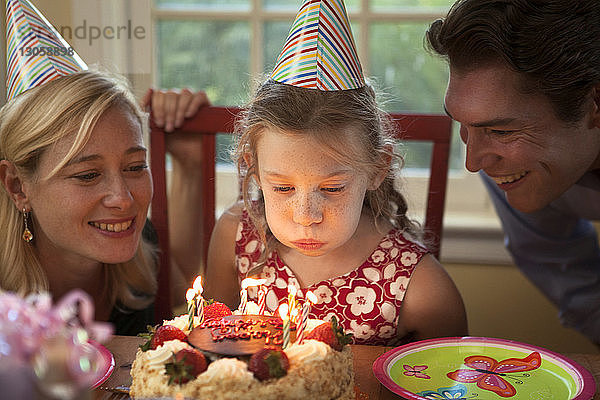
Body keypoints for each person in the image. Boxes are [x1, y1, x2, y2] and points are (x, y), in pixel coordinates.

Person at [205, 0, 467, 345]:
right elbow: (211, 350)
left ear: (377, 169)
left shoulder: (420, 289)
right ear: (252, 167)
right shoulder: (236, 239)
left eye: (332, 188)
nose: (306, 217)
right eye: (283, 188)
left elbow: (445, 387)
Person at [425, 0, 600, 343]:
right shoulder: (512, 166)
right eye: (463, 125)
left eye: (502, 132)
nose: (473, 162)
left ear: (595, 105)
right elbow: (571, 279)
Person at [0, 69, 209, 335]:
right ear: (17, 187)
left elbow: (177, 288)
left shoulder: (141, 241)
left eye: (134, 167)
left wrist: (189, 165)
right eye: (88, 175)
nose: (122, 199)